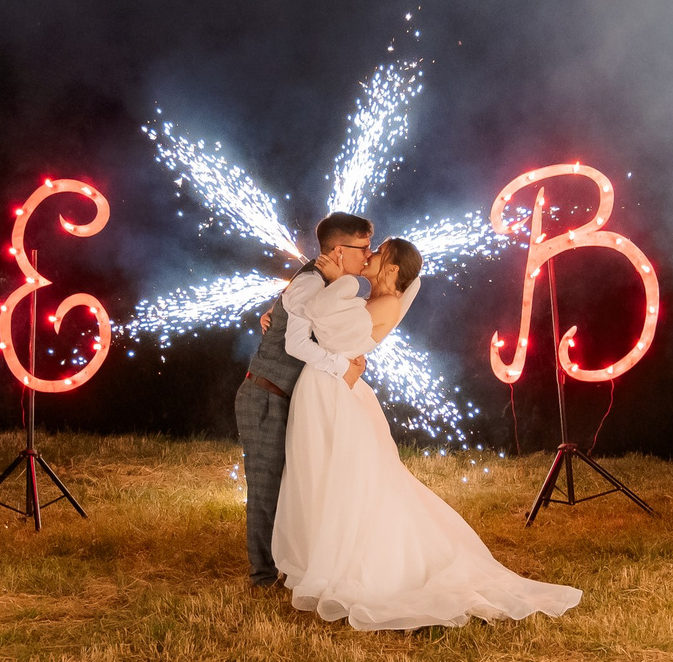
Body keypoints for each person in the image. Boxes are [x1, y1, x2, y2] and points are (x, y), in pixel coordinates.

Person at [271, 237, 583, 631]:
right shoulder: (372, 299)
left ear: (390, 269)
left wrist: (309, 299)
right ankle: (318, 553)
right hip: (330, 387)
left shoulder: (384, 303)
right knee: (322, 474)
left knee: (349, 480)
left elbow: (321, 319)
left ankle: (354, 562)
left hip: (336, 391)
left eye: (376, 253)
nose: (368, 256)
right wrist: (284, 311)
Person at [235, 212, 374, 589]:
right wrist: (341, 367)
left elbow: (297, 318)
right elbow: (295, 343)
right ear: (340, 251)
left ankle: (286, 567)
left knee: (290, 487)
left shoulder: (319, 280)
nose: (369, 256)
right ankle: (263, 578)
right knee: (266, 490)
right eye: (363, 248)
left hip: (281, 397)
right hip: (265, 396)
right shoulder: (312, 282)